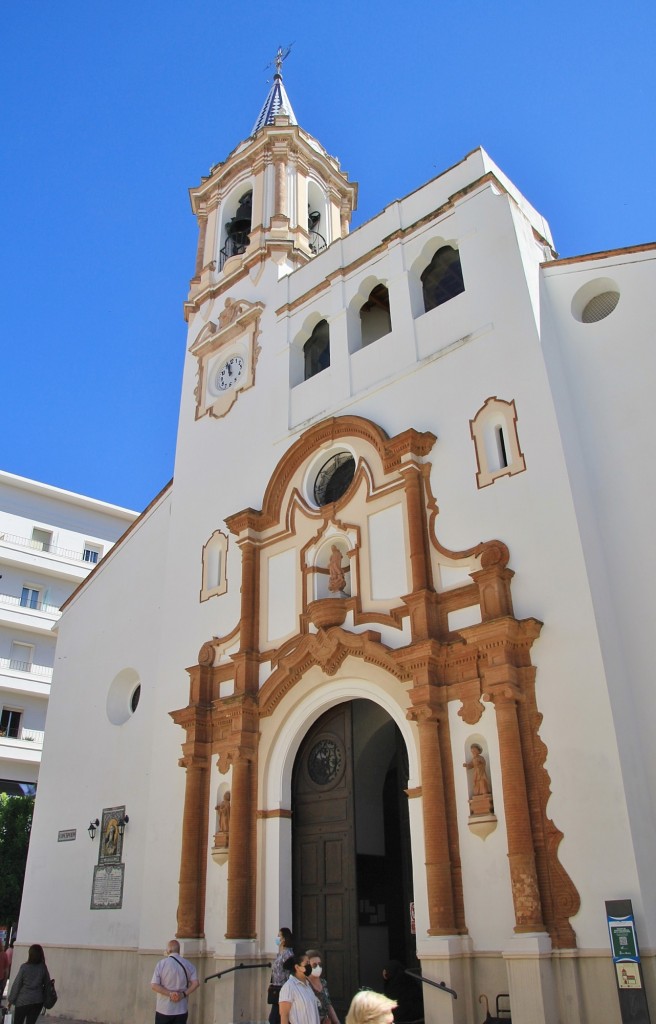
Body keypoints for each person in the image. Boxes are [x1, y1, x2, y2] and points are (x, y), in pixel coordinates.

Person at [151, 939, 199, 1024]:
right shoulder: (188, 964)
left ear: (169, 950)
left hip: (164, 1008)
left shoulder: (161, 964)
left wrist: (170, 994)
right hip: (181, 1009)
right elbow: (196, 983)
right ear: (179, 950)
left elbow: (154, 985)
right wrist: (182, 994)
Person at [7, 943, 51, 1024]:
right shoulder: (43, 967)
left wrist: (11, 1000)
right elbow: (48, 984)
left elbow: (17, 984)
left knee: (18, 1021)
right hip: (37, 1001)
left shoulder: (24, 967)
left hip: (23, 1001)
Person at [279, 953, 320, 1024]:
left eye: (309, 963)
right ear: (297, 967)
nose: (309, 966)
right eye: (306, 963)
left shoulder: (307, 985)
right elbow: (284, 1015)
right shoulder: (289, 987)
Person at [305, 949, 340, 1024]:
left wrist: (336, 1021)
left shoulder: (323, 982)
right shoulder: (304, 984)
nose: (318, 967)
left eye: (320, 965)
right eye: (314, 965)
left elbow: (328, 1004)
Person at [269, 927, 294, 1024]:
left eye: (279, 936)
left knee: (274, 1018)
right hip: (276, 988)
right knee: (275, 1018)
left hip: (283, 989)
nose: (277, 938)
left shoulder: (288, 954)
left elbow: (290, 972)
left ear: (284, 939)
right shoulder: (281, 953)